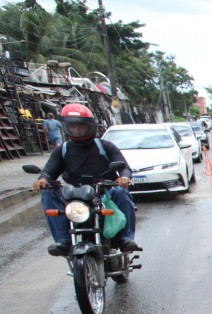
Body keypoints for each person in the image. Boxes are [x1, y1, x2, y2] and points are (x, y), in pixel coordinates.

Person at [31, 103, 140, 256]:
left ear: (90, 126)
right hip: (74, 195)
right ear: (66, 128)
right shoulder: (62, 150)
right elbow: (49, 170)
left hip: (104, 192)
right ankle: (62, 240)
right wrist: (43, 179)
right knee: (47, 192)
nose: (77, 130)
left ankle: (126, 239)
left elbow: (124, 168)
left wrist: (124, 178)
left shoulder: (105, 146)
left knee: (122, 192)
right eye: (73, 127)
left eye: (80, 127)